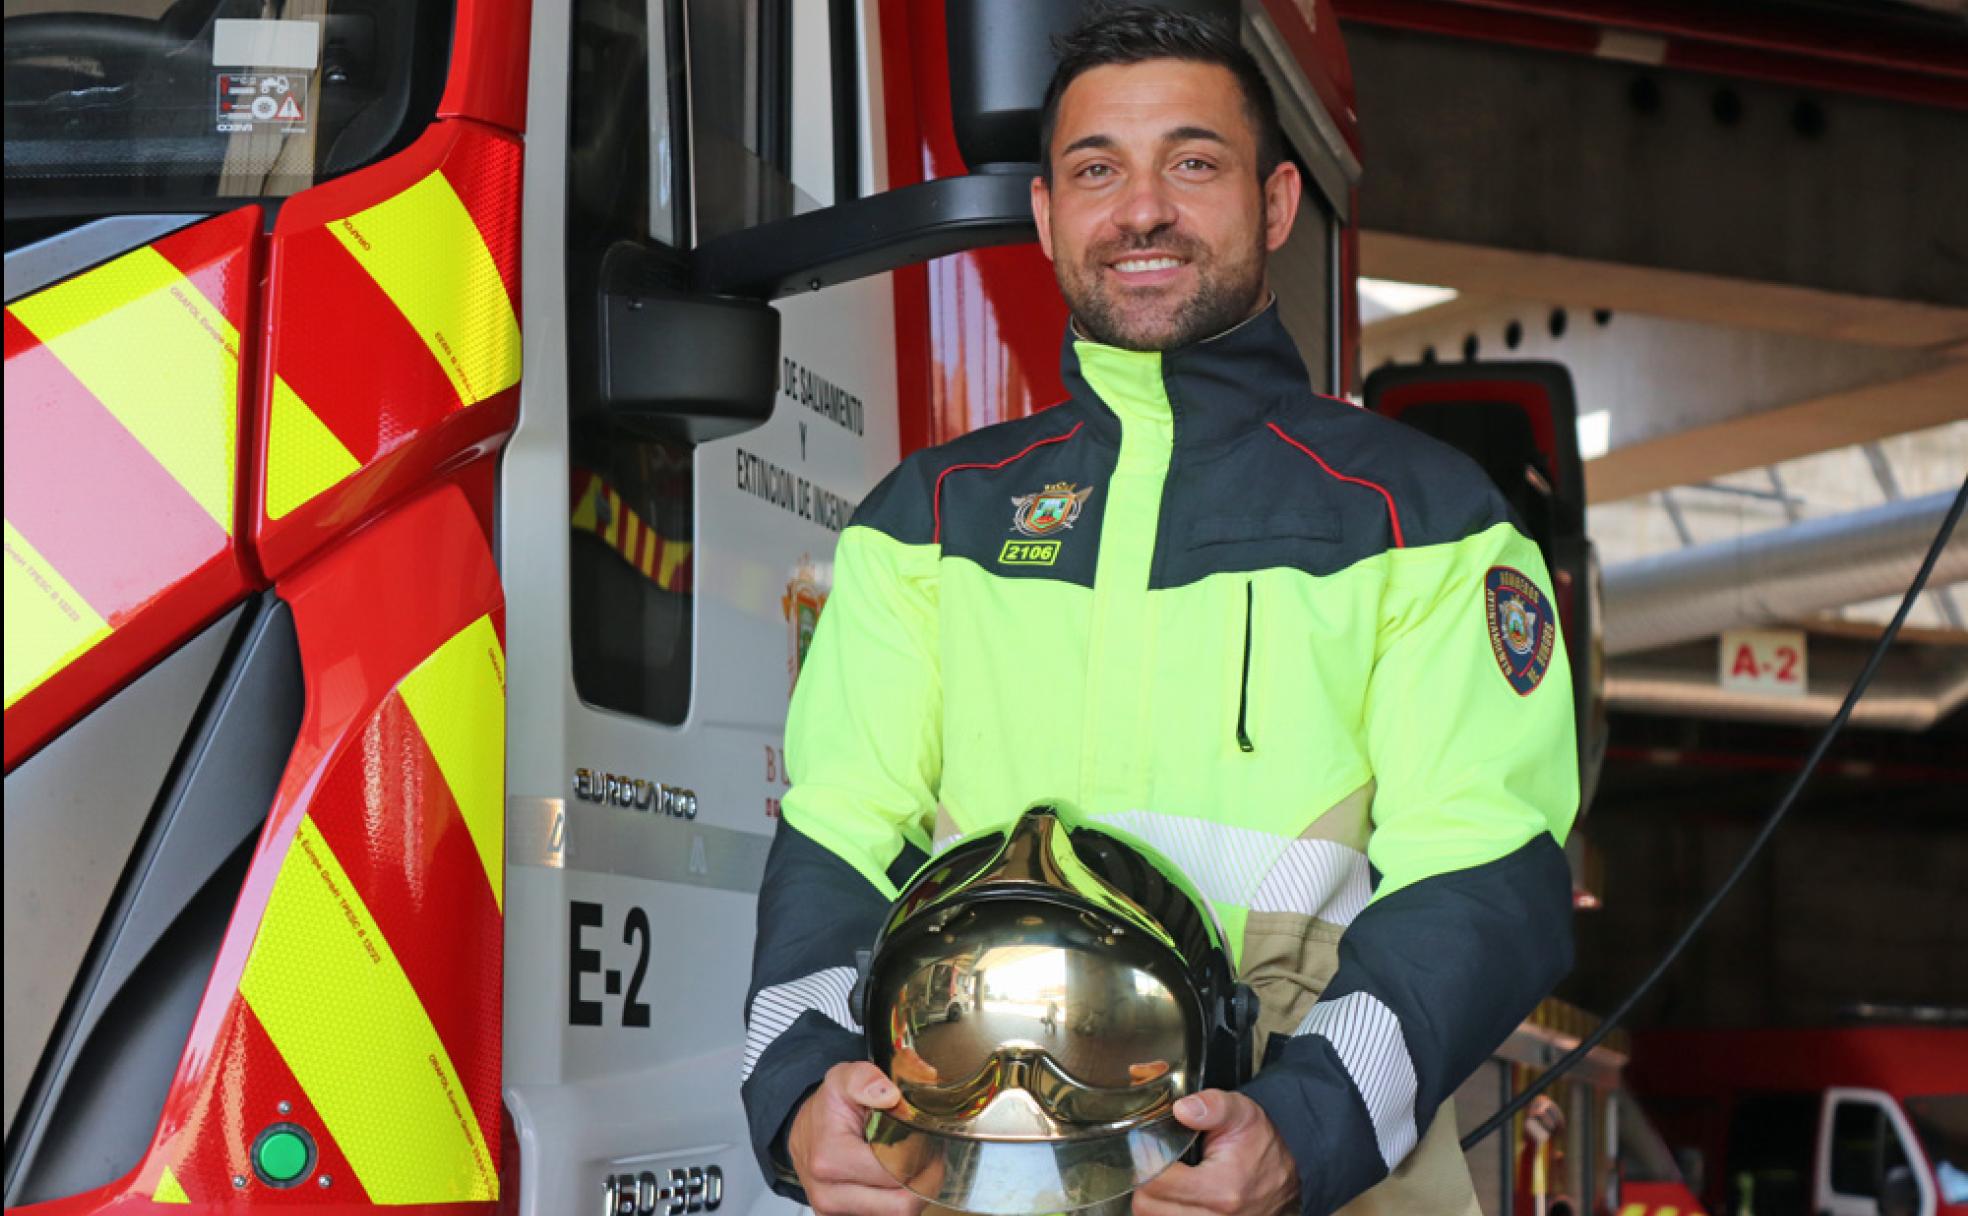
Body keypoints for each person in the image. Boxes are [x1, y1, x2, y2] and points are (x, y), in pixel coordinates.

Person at [740, 8, 1578, 1215]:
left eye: (1193, 163)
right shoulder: (921, 520)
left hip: (1316, 1182)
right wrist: (800, 1086)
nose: (1142, 210)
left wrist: (1307, 1127)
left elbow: (1490, 874)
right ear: (1045, 218)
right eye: (1096, 170)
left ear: (1277, 204)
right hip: (977, 1179)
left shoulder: (1428, 519)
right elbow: (832, 849)